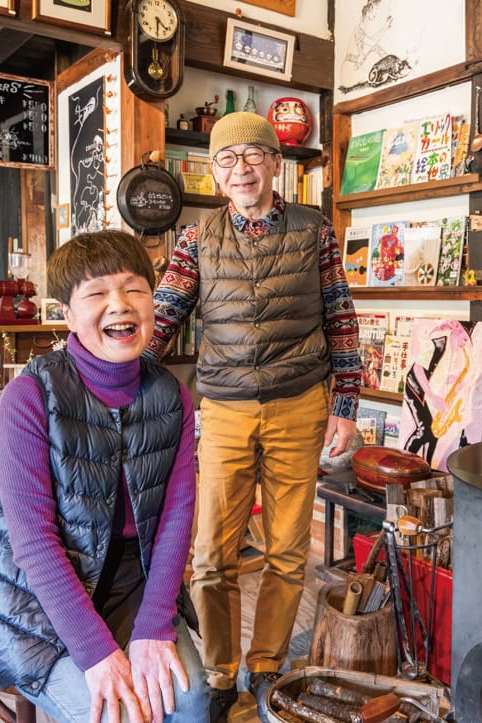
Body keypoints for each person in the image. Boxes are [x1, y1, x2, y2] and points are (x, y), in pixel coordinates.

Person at [144, 111, 361, 721]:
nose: (240, 169)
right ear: (215, 174)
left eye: (251, 156)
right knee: (212, 552)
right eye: (226, 159)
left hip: (301, 404)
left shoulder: (315, 230)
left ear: (274, 163)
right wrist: (122, 373)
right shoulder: (196, 238)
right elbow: (165, 312)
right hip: (225, 408)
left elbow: (341, 318)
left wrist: (345, 404)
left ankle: (265, 667)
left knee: (289, 552)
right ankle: (218, 671)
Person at [0, 230, 209, 723]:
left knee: (192, 703)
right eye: (96, 294)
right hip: (34, 594)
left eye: (134, 289)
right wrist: (97, 654)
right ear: (67, 314)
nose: (120, 305)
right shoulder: (29, 397)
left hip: (132, 581)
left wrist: (155, 627)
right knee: (123, 716)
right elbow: (33, 544)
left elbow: (176, 518)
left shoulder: (172, 396)